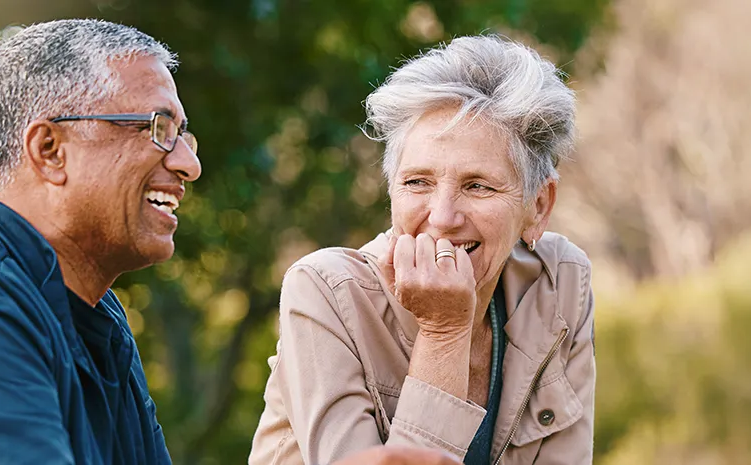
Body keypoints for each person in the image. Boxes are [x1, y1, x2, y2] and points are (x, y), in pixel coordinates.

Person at [0, 19, 457, 465]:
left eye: (185, 134)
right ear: (50, 149)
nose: (189, 164)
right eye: (157, 127)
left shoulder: (92, 318)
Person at [249, 35, 595, 465]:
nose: (443, 217)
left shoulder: (560, 282)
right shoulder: (325, 292)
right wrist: (444, 331)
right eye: (417, 182)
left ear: (538, 206)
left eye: (478, 186)